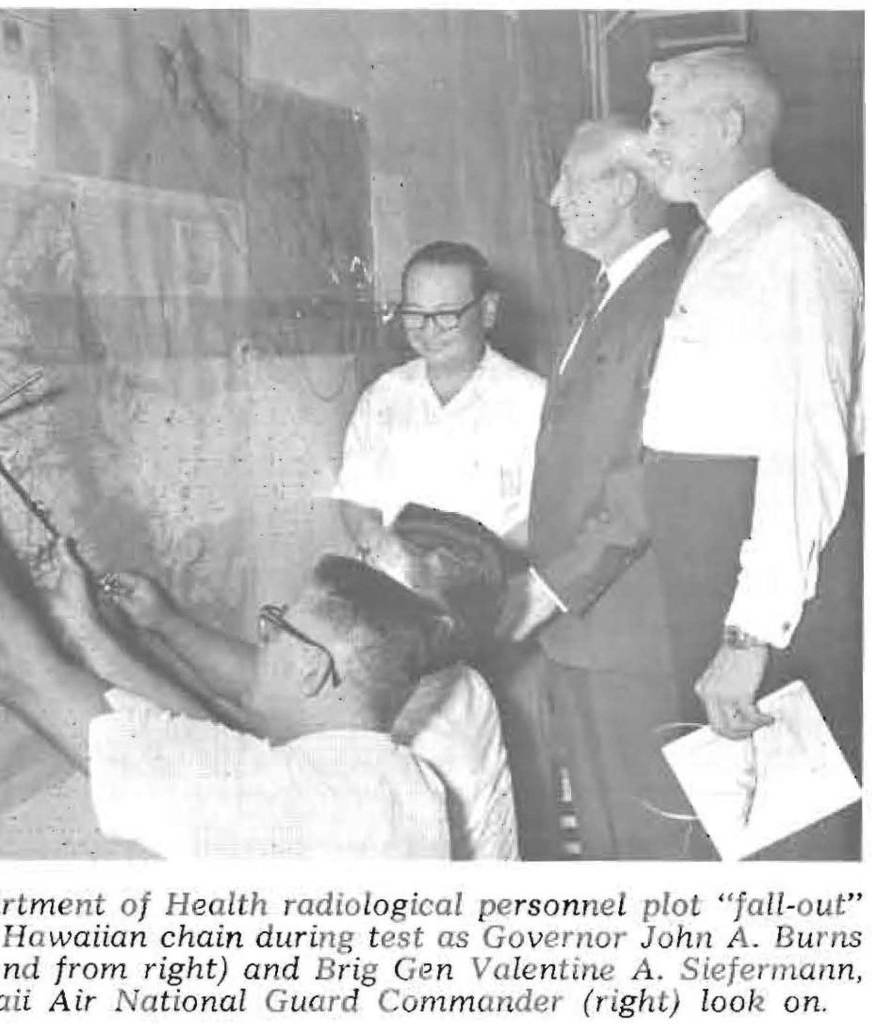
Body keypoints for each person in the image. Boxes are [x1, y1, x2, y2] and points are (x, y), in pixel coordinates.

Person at [0, 421, 509, 858]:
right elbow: (211, 752)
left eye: (275, 628)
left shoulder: (295, 800)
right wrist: (87, 633)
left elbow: (20, 678)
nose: (260, 642)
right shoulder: (400, 781)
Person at [642, 47, 863, 858]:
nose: (650, 138)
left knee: (786, 837)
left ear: (728, 126)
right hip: (712, 561)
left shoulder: (793, 240)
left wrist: (749, 639)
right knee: (732, 828)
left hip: (763, 583)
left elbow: (805, 451)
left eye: (665, 120)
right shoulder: (720, 238)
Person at [494, 117, 688, 859]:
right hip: (582, 631)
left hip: (627, 633)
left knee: (646, 847)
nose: (552, 196)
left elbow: (652, 473)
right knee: (607, 843)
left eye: (572, 181)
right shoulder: (611, 291)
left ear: (626, 187)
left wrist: (551, 586)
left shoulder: (669, 292)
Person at [334, 240, 546, 557]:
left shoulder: (534, 401)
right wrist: (373, 537)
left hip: (494, 592)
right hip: (396, 588)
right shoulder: (383, 397)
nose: (428, 331)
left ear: (487, 310)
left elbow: (546, 518)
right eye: (414, 314)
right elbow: (356, 494)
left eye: (446, 314)